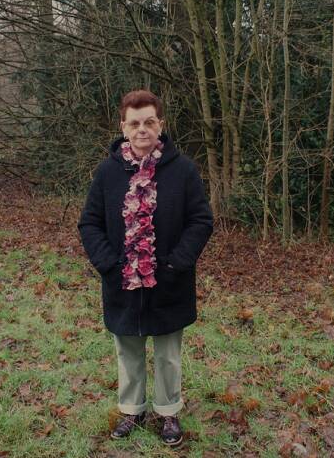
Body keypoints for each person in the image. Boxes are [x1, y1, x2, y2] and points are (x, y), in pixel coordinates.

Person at [78, 89, 213, 446]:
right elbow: (89, 223)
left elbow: (201, 221)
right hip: (121, 282)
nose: (142, 129)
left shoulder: (183, 170)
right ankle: (132, 409)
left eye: (149, 122)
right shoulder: (107, 173)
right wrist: (109, 265)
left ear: (160, 125)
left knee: (168, 354)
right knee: (128, 350)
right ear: (123, 127)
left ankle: (168, 412)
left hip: (169, 282)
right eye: (135, 123)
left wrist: (176, 263)